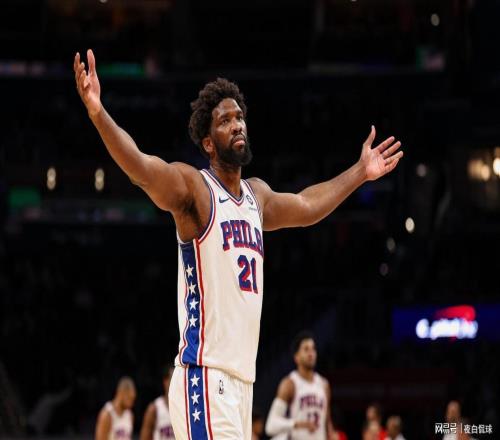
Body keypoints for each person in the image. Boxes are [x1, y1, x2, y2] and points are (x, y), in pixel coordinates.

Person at [74, 49, 403, 440]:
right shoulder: (196, 190)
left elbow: (307, 205)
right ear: (208, 143)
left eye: (239, 117)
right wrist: (98, 112)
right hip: (205, 376)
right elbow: (142, 169)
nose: (236, 124)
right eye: (225, 120)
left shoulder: (256, 197)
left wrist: (360, 172)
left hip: (241, 384)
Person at [265, 331, 336, 439]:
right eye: (306, 349)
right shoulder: (290, 383)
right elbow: (271, 426)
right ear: (296, 357)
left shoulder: (324, 384)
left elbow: (327, 421)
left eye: (313, 349)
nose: (311, 353)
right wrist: (297, 424)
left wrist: (332, 434)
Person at [140, 366, 175, 440]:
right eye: (172, 380)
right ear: (165, 381)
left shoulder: (183, 408)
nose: (175, 384)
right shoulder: (154, 408)